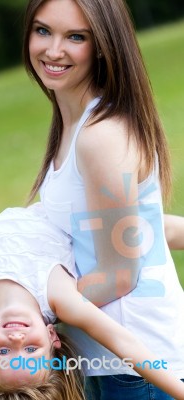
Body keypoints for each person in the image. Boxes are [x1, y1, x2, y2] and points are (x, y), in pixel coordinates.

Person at [23, 0, 184, 398]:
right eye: (43, 30)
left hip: (139, 366)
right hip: (107, 360)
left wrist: (32, 303)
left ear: (102, 46)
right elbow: (137, 226)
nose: (53, 50)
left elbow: (118, 273)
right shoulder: (75, 124)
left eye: (75, 36)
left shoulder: (101, 135)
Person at [0, 204, 184, 400]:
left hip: (51, 204)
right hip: (76, 212)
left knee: (154, 229)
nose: (16, 340)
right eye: (32, 349)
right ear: (51, 336)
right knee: (150, 230)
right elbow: (124, 343)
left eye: (2, 353)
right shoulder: (58, 296)